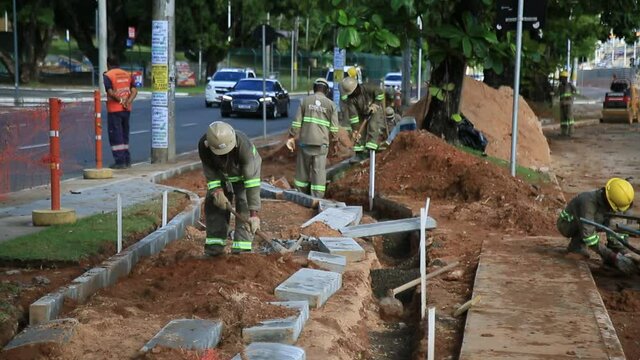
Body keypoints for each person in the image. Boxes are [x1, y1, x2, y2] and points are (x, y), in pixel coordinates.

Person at [198, 122, 262, 256]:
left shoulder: (244, 147)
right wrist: (217, 191)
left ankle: (242, 249)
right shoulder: (204, 146)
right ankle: (214, 248)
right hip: (222, 175)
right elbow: (210, 172)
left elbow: (252, 184)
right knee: (214, 203)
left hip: (244, 175)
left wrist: (254, 215)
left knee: (244, 202)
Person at [556, 177, 636, 274]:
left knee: (619, 218)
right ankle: (576, 248)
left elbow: (619, 225)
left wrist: (624, 252)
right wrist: (610, 256)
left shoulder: (612, 200)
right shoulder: (587, 202)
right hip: (567, 224)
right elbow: (589, 236)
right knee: (592, 222)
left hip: (592, 218)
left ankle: (615, 247)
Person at [286, 78, 339, 198]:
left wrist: (291, 136)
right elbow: (335, 129)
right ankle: (317, 197)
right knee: (319, 171)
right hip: (321, 144)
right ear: (327, 91)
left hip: (305, 142)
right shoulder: (331, 105)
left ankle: (301, 194)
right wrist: (335, 144)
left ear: (314, 88)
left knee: (302, 170)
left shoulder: (305, 101)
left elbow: (296, 123)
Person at [104, 57, 137, 169]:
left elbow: (110, 92)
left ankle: (120, 162)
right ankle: (127, 160)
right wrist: (128, 101)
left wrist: (120, 101)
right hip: (126, 109)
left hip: (114, 110)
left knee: (115, 135)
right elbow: (134, 90)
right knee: (124, 134)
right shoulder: (127, 74)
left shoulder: (108, 75)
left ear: (108, 64)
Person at [340, 77, 385, 160]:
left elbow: (380, 93)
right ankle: (359, 152)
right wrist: (355, 130)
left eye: (353, 92)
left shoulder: (368, 88)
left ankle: (371, 149)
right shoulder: (351, 100)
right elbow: (353, 116)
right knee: (359, 132)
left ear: (357, 87)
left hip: (374, 109)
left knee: (373, 125)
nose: (352, 94)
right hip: (361, 112)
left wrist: (375, 104)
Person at [556, 70, 577, 137]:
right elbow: (557, 94)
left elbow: (576, 91)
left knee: (570, 118)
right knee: (563, 119)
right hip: (562, 104)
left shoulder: (570, 85)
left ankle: (571, 132)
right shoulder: (560, 86)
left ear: (565, 78)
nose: (561, 79)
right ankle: (563, 132)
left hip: (568, 104)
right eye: (560, 78)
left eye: (562, 78)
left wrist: (572, 98)